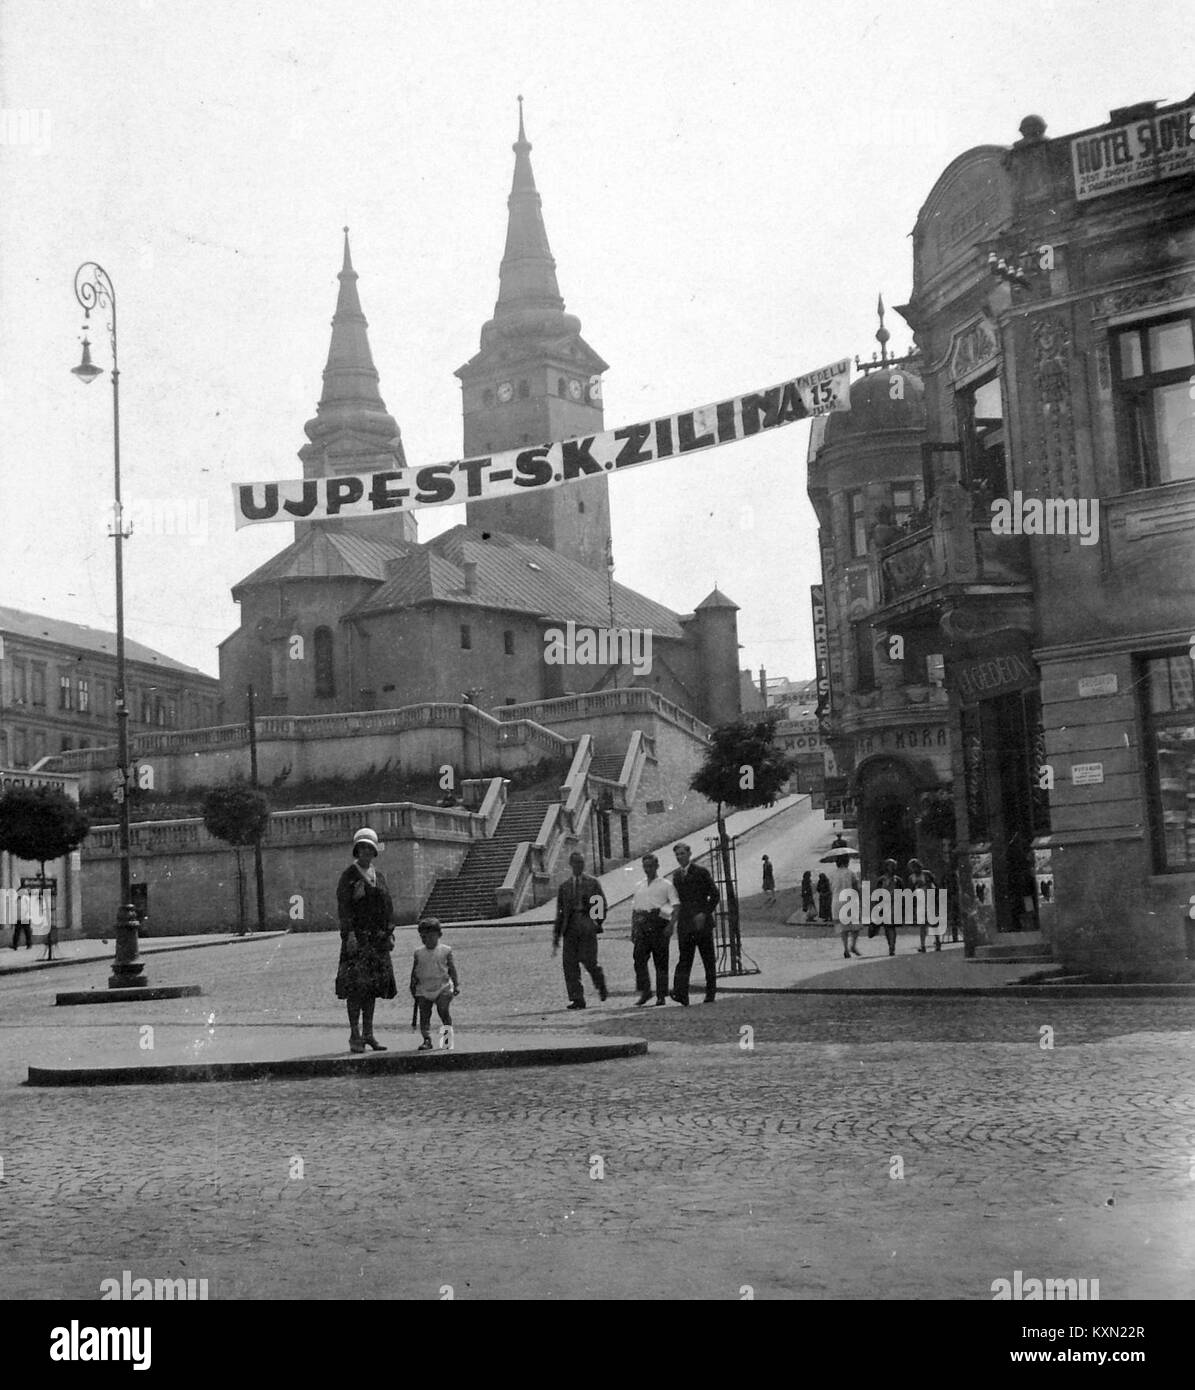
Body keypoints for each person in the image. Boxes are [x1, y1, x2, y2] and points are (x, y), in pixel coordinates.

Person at [335, 827, 398, 1053]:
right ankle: (355, 1035)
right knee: (355, 988)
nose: (366, 853)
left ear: (374, 852)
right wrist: (349, 933)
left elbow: (388, 906)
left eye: (369, 849)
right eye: (362, 848)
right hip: (357, 939)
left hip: (377, 940)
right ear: (356, 850)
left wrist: (390, 932)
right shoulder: (348, 877)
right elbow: (344, 907)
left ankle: (369, 1034)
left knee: (371, 988)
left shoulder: (378, 877)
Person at [553, 851, 608, 1010]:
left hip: (586, 926)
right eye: (576, 863)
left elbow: (600, 904)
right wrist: (557, 934)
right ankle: (577, 999)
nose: (579, 866)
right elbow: (560, 912)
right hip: (570, 928)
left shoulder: (592, 883)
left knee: (589, 961)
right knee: (569, 964)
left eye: (581, 863)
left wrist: (596, 923)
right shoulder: (565, 887)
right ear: (571, 865)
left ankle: (600, 984)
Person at [669, 842, 720, 1006]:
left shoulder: (701, 872)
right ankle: (681, 994)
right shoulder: (676, 876)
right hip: (685, 924)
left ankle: (710, 993)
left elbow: (715, 895)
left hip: (701, 923)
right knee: (684, 959)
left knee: (707, 959)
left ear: (689, 854)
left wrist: (704, 913)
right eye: (677, 855)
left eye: (682, 854)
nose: (679, 857)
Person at [631, 853, 679, 1006]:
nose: (648, 869)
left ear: (657, 866)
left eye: (651, 866)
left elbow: (675, 906)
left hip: (659, 924)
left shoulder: (666, 884)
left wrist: (670, 925)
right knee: (638, 959)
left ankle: (661, 995)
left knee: (660, 962)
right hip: (642, 926)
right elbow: (635, 909)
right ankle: (645, 991)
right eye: (645, 866)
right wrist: (634, 929)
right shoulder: (639, 885)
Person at [410, 918, 460, 1051]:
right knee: (424, 1015)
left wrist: (456, 984)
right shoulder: (419, 953)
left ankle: (447, 1039)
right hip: (423, 988)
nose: (427, 939)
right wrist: (412, 985)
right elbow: (415, 970)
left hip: (442, 986)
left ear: (439, 935)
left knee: (443, 1010)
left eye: (431, 936)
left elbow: (451, 969)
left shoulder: (445, 950)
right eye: (423, 937)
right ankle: (427, 1039)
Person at [830, 855, 862, 959]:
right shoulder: (850, 873)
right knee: (855, 925)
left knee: (842, 927)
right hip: (849, 900)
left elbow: (831, 888)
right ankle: (853, 945)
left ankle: (845, 948)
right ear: (846, 862)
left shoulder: (832, 874)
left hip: (837, 901)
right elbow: (856, 887)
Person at [908, 858, 939, 952]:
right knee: (922, 925)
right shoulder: (911, 877)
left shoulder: (926, 874)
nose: (914, 869)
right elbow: (910, 890)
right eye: (912, 867)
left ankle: (937, 943)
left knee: (933, 923)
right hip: (920, 901)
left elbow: (935, 885)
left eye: (915, 866)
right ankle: (923, 945)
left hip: (930, 900)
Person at [876, 859, 903, 956]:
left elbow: (902, 893)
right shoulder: (881, 880)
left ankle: (892, 946)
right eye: (890, 866)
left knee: (891, 927)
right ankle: (890, 945)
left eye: (893, 866)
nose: (892, 868)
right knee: (887, 927)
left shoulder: (898, 880)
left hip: (894, 905)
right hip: (884, 905)